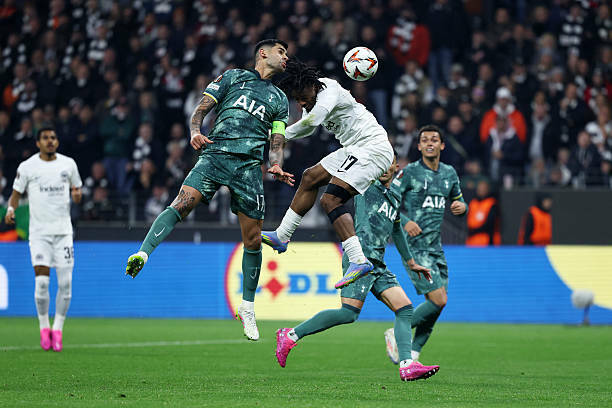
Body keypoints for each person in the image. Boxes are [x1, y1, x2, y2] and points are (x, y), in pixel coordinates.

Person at [125, 39, 292, 341]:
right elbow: (202, 108)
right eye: (281, 52)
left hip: (249, 167)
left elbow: (277, 139)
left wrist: (276, 163)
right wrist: (194, 132)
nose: (286, 57)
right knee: (180, 204)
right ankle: (143, 254)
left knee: (253, 239)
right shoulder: (233, 77)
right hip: (215, 154)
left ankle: (247, 306)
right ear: (263, 53)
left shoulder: (280, 98)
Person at [275, 155, 440, 381]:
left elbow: (397, 229)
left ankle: (406, 365)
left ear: (396, 167)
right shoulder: (366, 184)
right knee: (348, 313)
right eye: (381, 162)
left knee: (405, 309)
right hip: (359, 259)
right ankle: (290, 335)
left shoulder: (394, 196)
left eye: (389, 162)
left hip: (378, 263)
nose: (384, 167)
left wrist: (411, 262)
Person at [260, 60, 394, 289]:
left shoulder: (329, 90)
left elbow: (312, 121)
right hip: (353, 148)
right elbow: (309, 127)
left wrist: (279, 134)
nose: (301, 103)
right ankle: (282, 236)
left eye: (303, 97)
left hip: (372, 148)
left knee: (330, 200)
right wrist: (279, 136)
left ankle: (358, 260)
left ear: (313, 86)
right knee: (309, 177)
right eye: (297, 99)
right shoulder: (310, 99)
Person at [384, 124, 468, 364]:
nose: (430, 143)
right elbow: (389, 199)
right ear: (419, 146)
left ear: (442, 145)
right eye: (425, 140)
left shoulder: (449, 173)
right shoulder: (409, 172)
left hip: (435, 248)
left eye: (434, 139)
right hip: (415, 247)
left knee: (437, 304)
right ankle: (397, 331)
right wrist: (406, 221)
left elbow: (460, 201)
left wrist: (462, 207)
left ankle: (414, 353)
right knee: (439, 299)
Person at [4, 127, 83, 352]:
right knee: (42, 283)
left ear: (57, 142)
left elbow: (77, 191)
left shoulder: (68, 164)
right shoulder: (27, 167)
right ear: (38, 143)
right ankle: (43, 327)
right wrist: (11, 209)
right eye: (45, 138)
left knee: (65, 284)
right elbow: (16, 194)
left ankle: (57, 329)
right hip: (39, 234)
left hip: (63, 233)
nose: (50, 141)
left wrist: (77, 196)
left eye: (53, 138)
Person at [466, 179, 500, 246]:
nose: (481, 190)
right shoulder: (473, 203)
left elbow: (490, 224)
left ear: (488, 190)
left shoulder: (492, 203)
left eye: (484, 189)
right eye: (480, 188)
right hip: (472, 240)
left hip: (487, 240)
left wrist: (475, 230)